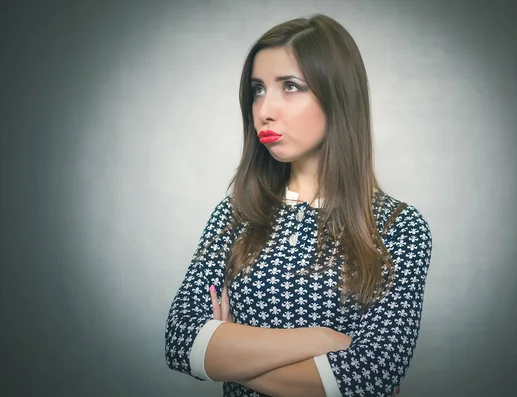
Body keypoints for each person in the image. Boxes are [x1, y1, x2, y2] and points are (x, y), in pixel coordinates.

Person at [165, 13, 433, 397]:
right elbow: (181, 339)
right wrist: (319, 339)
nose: (264, 110)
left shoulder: (398, 228)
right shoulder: (235, 217)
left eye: (290, 86)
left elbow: (371, 374)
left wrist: (227, 352)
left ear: (338, 95)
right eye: (258, 89)